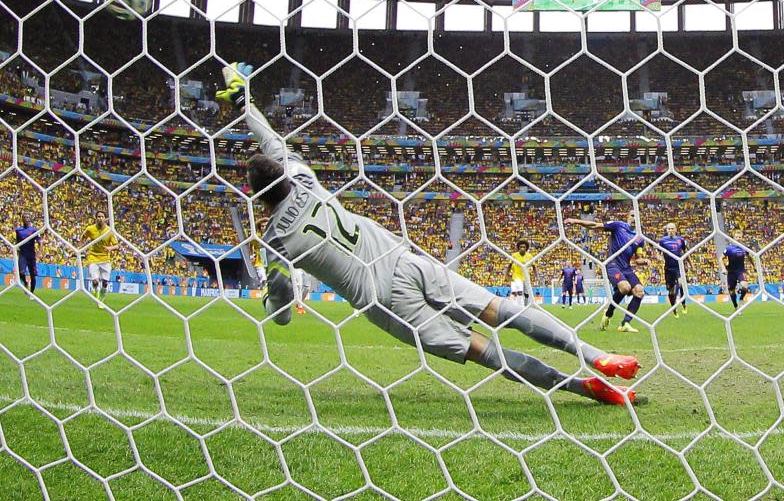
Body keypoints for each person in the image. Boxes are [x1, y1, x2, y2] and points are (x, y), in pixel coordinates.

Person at [216, 62, 641, 405]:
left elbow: (282, 312)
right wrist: (243, 101)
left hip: (383, 298)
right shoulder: (304, 179)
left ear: (256, 197)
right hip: (405, 262)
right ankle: (595, 355)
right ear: (286, 178)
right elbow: (273, 142)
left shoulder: (274, 242)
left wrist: (276, 301)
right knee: (501, 310)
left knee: (484, 351)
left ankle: (580, 388)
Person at [565, 211, 649, 333]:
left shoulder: (640, 238)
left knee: (639, 291)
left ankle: (625, 323)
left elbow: (637, 260)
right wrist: (576, 221)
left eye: (637, 216)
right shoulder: (618, 226)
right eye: (632, 215)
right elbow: (596, 226)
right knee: (625, 288)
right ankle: (609, 313)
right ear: (627, 217)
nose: (634, 218)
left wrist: (645, 261)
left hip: (627, 268)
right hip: (613, 264)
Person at [81, 210, 119, 309]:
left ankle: (101, 299)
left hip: (105, 259)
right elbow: (83, 237)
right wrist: (80, 248)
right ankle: (96, 292)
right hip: (93, 256)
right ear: (95, 218)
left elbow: (116, 245)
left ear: (105, 218)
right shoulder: (90, 229)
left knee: (105, 282)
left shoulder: (109, 231)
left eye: (102, 216)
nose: (100, 218)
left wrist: (109, 248)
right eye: (98, 216)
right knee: (95, 281)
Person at [659, 222, 688, 317]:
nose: (671, 230)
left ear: (676, 229)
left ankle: (684, 304)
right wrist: (659, 257)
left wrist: (691, 265)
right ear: (666, 230)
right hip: (668, 268)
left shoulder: (680, 240)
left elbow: (685, 252)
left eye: (672, 228)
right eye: (669, 229)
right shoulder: (662, 241)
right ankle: (674, 309)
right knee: (671, 291)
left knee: (681, 283)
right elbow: (658, 252)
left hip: (678, 267)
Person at [506, 239, 538, 307]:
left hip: (526, 277)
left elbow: (534, 266)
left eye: (524, 247)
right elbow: (509, 265)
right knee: (519, 292)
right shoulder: (514, 255)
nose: (522, 248)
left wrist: (536, 276)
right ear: (518, 248)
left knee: (527, 294)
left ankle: (526, 306)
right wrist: (506, 274)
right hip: (517, 276)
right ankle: (518, 306)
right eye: (521, 247)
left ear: (526, 248)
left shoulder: (530, 256)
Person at [15, 213, 40, 295]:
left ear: (30, 219)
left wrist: (38, 254)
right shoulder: (18, 230)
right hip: (23, 255)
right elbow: (17, 242)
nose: (26, 218)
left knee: (33, 275)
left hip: (31, 255)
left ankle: (32, 293)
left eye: (27, 217)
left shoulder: (34, 230)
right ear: (22, 219)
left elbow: (40, 242)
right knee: (21, 272)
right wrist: (16, 250)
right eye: (24, 217)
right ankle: (25, 283)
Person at [722, 242, 749, 310]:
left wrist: (753, 265)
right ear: (734, 238)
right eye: (737, 237)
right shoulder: (729, 248)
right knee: (731, 291)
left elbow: (749, 256)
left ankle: (741, 299)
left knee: (745, 286)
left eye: (740, 237)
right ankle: (736, 306)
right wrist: (723, 268)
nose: (738, 238)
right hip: (731, 272)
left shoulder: (744, 248)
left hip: (741, 271)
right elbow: (721, 258)